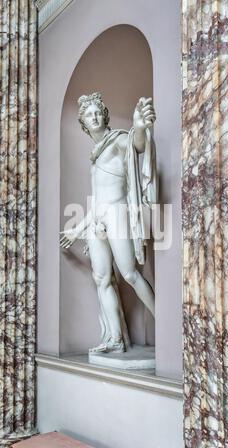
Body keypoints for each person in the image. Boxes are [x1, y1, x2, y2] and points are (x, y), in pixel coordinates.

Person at [60, 92, 157, 353]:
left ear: (104, 116)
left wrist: (137, 126)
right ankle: (115, 339)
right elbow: (97, 202)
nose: (93, 116)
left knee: (129, 274)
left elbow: (136, 146)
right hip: (98, 220)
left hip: (117, 213)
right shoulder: (95, 153)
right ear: (83, 123)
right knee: (102, 279)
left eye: (96, 112)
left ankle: (167, 326)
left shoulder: (117, 140)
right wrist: (78, 228)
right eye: (88, 114)